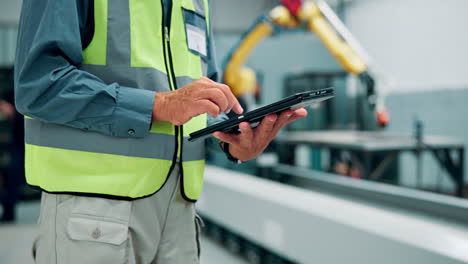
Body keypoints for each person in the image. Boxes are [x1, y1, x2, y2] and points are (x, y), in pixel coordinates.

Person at [15, 0, 307, 263]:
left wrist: (235, 142)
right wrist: (159, 105)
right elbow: (38, 85)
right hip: (93, 206)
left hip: (179, 210)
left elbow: (207, 97)